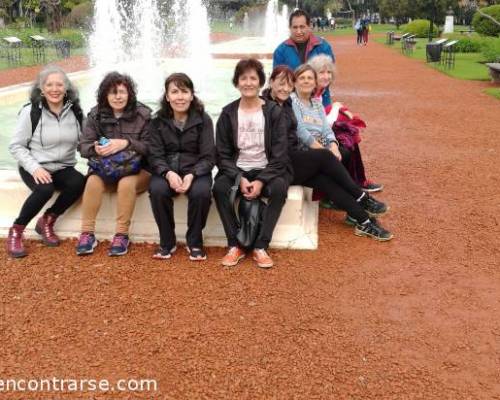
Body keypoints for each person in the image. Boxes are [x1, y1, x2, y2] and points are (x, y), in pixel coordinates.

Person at [267, 65, 392, 241]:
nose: (284, 88)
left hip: (294, 162)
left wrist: (332, 144)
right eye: (281, 83)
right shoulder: (271, 105)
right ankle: (362, 196)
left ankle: (363, 221)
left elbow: (325, 129)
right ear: (271, 82)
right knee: (326, 158)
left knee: (326, 182)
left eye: (288, 84)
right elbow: (299, 134)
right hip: (281, 166)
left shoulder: (286, 103)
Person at [213, 58, 290, 269]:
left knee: (279, 189)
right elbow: (222, 154)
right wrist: (240, 177)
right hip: (239, 169)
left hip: (266, 168)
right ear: (237, 83)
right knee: (219, 188)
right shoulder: (228, 113)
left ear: (260, 82)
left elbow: (280, 155)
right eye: (243, 78)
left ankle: (260, 246)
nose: (248, 83)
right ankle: (234, 244)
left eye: (253, 78)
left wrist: (262, 181)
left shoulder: (274, 112)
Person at [7, 65, 86, 258]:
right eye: (49, 84)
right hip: (35, 166)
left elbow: (84, 142)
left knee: (79, 182)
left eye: (60, 84)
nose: (55, 89)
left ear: (66, 88)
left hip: (63, 166)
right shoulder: (30, 112)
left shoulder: (75, 112)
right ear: (41, 88)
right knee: (45, 188)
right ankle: (17, 230)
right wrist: (35, 168)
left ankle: (48, 220)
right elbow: (16, 146)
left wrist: (100, 150)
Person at [76, 72, 151, 256]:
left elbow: (152, 148)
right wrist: (96, 149)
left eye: (122, 92)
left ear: (130, 94)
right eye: (112, 92)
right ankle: (87, 233)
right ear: (105, 96)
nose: (118, 97)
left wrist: (126, 143)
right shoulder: (95, 115)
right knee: (92, 181)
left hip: (137, 170)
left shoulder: (143, 114)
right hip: (106, 169)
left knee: (126, 184)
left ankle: (121, 235)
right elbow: (83, 147)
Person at [148, 73, 215, 261]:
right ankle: (167, 242)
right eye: (175, 92)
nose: (180, 97)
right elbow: (155, 156)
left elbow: (209, 156)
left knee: (201, 193)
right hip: (166, 170)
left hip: (196, 170)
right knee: (157, 190)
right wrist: (168, 173)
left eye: (184, 91)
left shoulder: (204, 120)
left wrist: (192, 174)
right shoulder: (157, 121)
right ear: (167, 96)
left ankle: (194, 241)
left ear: (192, 95)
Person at [308, 54, 383, 192]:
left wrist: (341, 109)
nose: (326, 76)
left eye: (329, 72)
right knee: (347, 141)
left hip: (318, 135)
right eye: (322, 73)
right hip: (309, 141)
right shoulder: (309, 93)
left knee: (348, 136)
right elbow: (322, 124)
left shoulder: (319, 91)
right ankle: (355, 183)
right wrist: (336, 108)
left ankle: (358, 181)